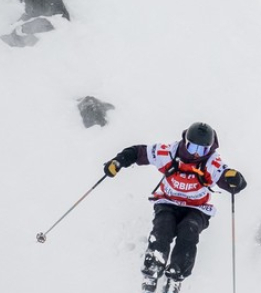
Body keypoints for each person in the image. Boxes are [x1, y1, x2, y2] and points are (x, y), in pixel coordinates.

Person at [105, 122, 248, 293]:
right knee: (162, 229)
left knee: (189, 232)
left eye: (202, 150)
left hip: (197, 208)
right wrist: (119, 161)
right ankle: (152, 272)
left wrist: (235, 180)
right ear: (185, 141)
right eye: (192, 147)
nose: (196, 153)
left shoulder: (211, 162)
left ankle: (175, 277)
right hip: (168, 202)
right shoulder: (170, 152)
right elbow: (139, 152)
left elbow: (229, 179)